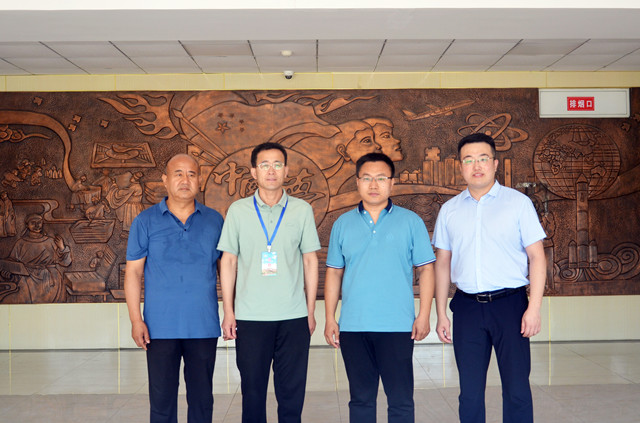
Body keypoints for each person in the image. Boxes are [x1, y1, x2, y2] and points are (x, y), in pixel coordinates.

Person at [431, 133, 546, 423]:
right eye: (468, 160)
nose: (476, 165)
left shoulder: (518, 203)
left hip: (511, 306)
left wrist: (534, 308)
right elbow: (442, 264)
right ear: (460, 166)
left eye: (483, 158)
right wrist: (441, 313)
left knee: (517, 389)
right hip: (467, 308)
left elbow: (537, 257)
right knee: (469, 393)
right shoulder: (449, 210)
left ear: (495, 164)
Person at [324, 152, 436, 423]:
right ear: (357, 182)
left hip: (397, 325)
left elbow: (426, 269)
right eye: (367, 178)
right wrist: (329, 318)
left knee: (400, 400)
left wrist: (424, 315)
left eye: (381, 178)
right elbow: (334, 272)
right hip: (353, 327)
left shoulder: (411, 221)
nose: (373, 185)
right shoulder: (342, 224)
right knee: (360, 400)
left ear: (392, 182)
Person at [218, 142, 320, 423]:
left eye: (277, 164)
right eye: (264, 165)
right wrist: (228, 312)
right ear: (254, 172)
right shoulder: (238, 210)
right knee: (252, 394)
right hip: (250, 318)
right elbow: (228, 261)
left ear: (286, 171)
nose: (271, 170)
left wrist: (310, 312)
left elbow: (310, 261)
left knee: (291, 395)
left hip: (293, 317)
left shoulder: (301, 210)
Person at [124, 154, 224, 423]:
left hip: (203, 325)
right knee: (161, 403)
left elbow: (226, 270)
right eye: (178, 173)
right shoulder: (145, 221)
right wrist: (136, 320)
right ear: (165, 180)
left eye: (191, 174)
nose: (185, 180)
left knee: (202, 402)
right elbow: (133, 272)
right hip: (159, 327)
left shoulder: (215, 221)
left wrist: (231, 313)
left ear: (199, 180)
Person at [4, 213, 72, 303]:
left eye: (39, 222)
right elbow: (12, 262)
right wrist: (7, 270)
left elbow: (66, 263)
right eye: (33, 223)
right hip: (28, 280)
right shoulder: (21, 243)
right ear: (27, 225)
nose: (37, 225)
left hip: (51, 281)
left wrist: (62, 247)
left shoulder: (51, 241)